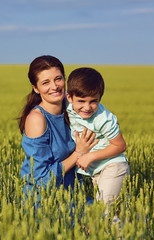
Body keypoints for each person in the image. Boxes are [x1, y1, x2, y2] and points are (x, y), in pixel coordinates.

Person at [18, 55, 98, 205]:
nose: (54, 86)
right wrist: (78, 154)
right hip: (48, 203)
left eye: (58, 79)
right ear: (36, 88)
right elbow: (41, 179)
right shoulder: (37, 119)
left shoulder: (74, 108)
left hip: (75, 197)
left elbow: (100, 121)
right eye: (45, 82)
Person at [66, 67, 130, 210]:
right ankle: (142, 226)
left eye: (93, 101)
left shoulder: (103, 119)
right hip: (96, 170)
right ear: (69, 98)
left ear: (100, 98)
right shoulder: (67, 105)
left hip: (112, 166)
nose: (87, 107)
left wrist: (90, 157)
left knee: (105, 210)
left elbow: (120, 146)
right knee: (118, 208)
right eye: (81, 101)